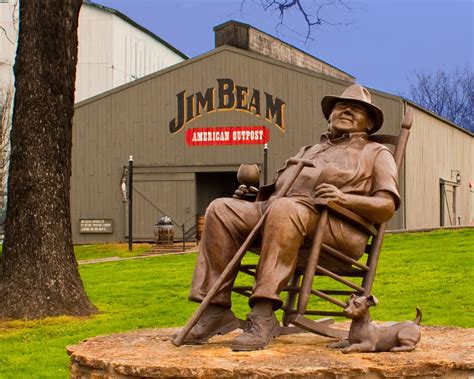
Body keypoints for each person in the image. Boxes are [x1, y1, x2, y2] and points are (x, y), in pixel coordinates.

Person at [185, 84, 400, 351]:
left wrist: (342, 198)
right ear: (329, 115)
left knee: (284, 210)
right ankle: (215, 310)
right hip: (282, 213)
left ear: (369, 124)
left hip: (335, 228)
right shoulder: (307, 150)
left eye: (357, 109)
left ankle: (262, 314)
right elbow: (280, 192)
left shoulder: (376, 154)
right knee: (221, 209)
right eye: (340, 106)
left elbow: (386, 205)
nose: (346, 110)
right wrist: (252, 198)